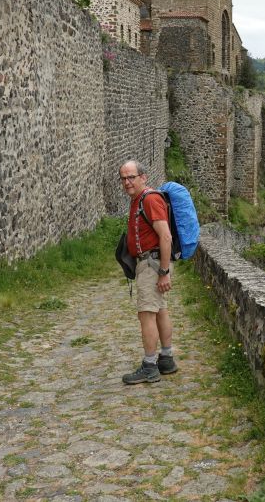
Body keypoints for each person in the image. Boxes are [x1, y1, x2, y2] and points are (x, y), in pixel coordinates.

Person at [118, 160, 178, 384]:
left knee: (146, 314)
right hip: (151, 264)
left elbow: (165, 236)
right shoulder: (139, 200)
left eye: (131, 177)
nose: (127, 182)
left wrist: (163, 272)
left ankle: (150, 365)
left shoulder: (150, 199)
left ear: (143, 177)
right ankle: (166, 359)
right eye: (123, 178)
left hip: (152, 265)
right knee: (160, 310)